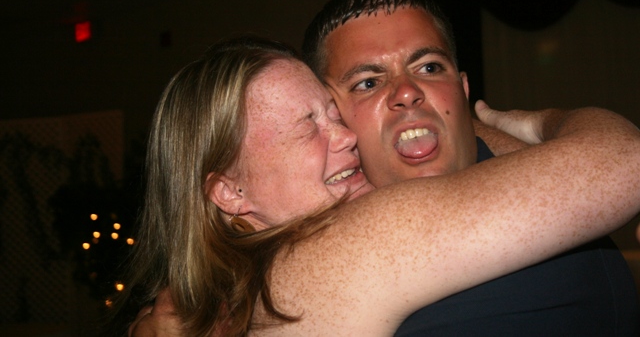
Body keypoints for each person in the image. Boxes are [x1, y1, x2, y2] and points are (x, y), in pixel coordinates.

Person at [115, 34, 640, 337]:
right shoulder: (332, 252)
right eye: (308, 127)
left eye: (334, 113)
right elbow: (624, 162)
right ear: (229, 192)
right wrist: (533, 122)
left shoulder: (238, 297)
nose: (347, 136)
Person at [300, 0, 640, 335]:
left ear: (462, 90)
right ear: (332, 117)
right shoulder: (326, 254)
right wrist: (543, 124)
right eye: (368, 83)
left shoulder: (562, 199)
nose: (407, 91)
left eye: (429, 67)